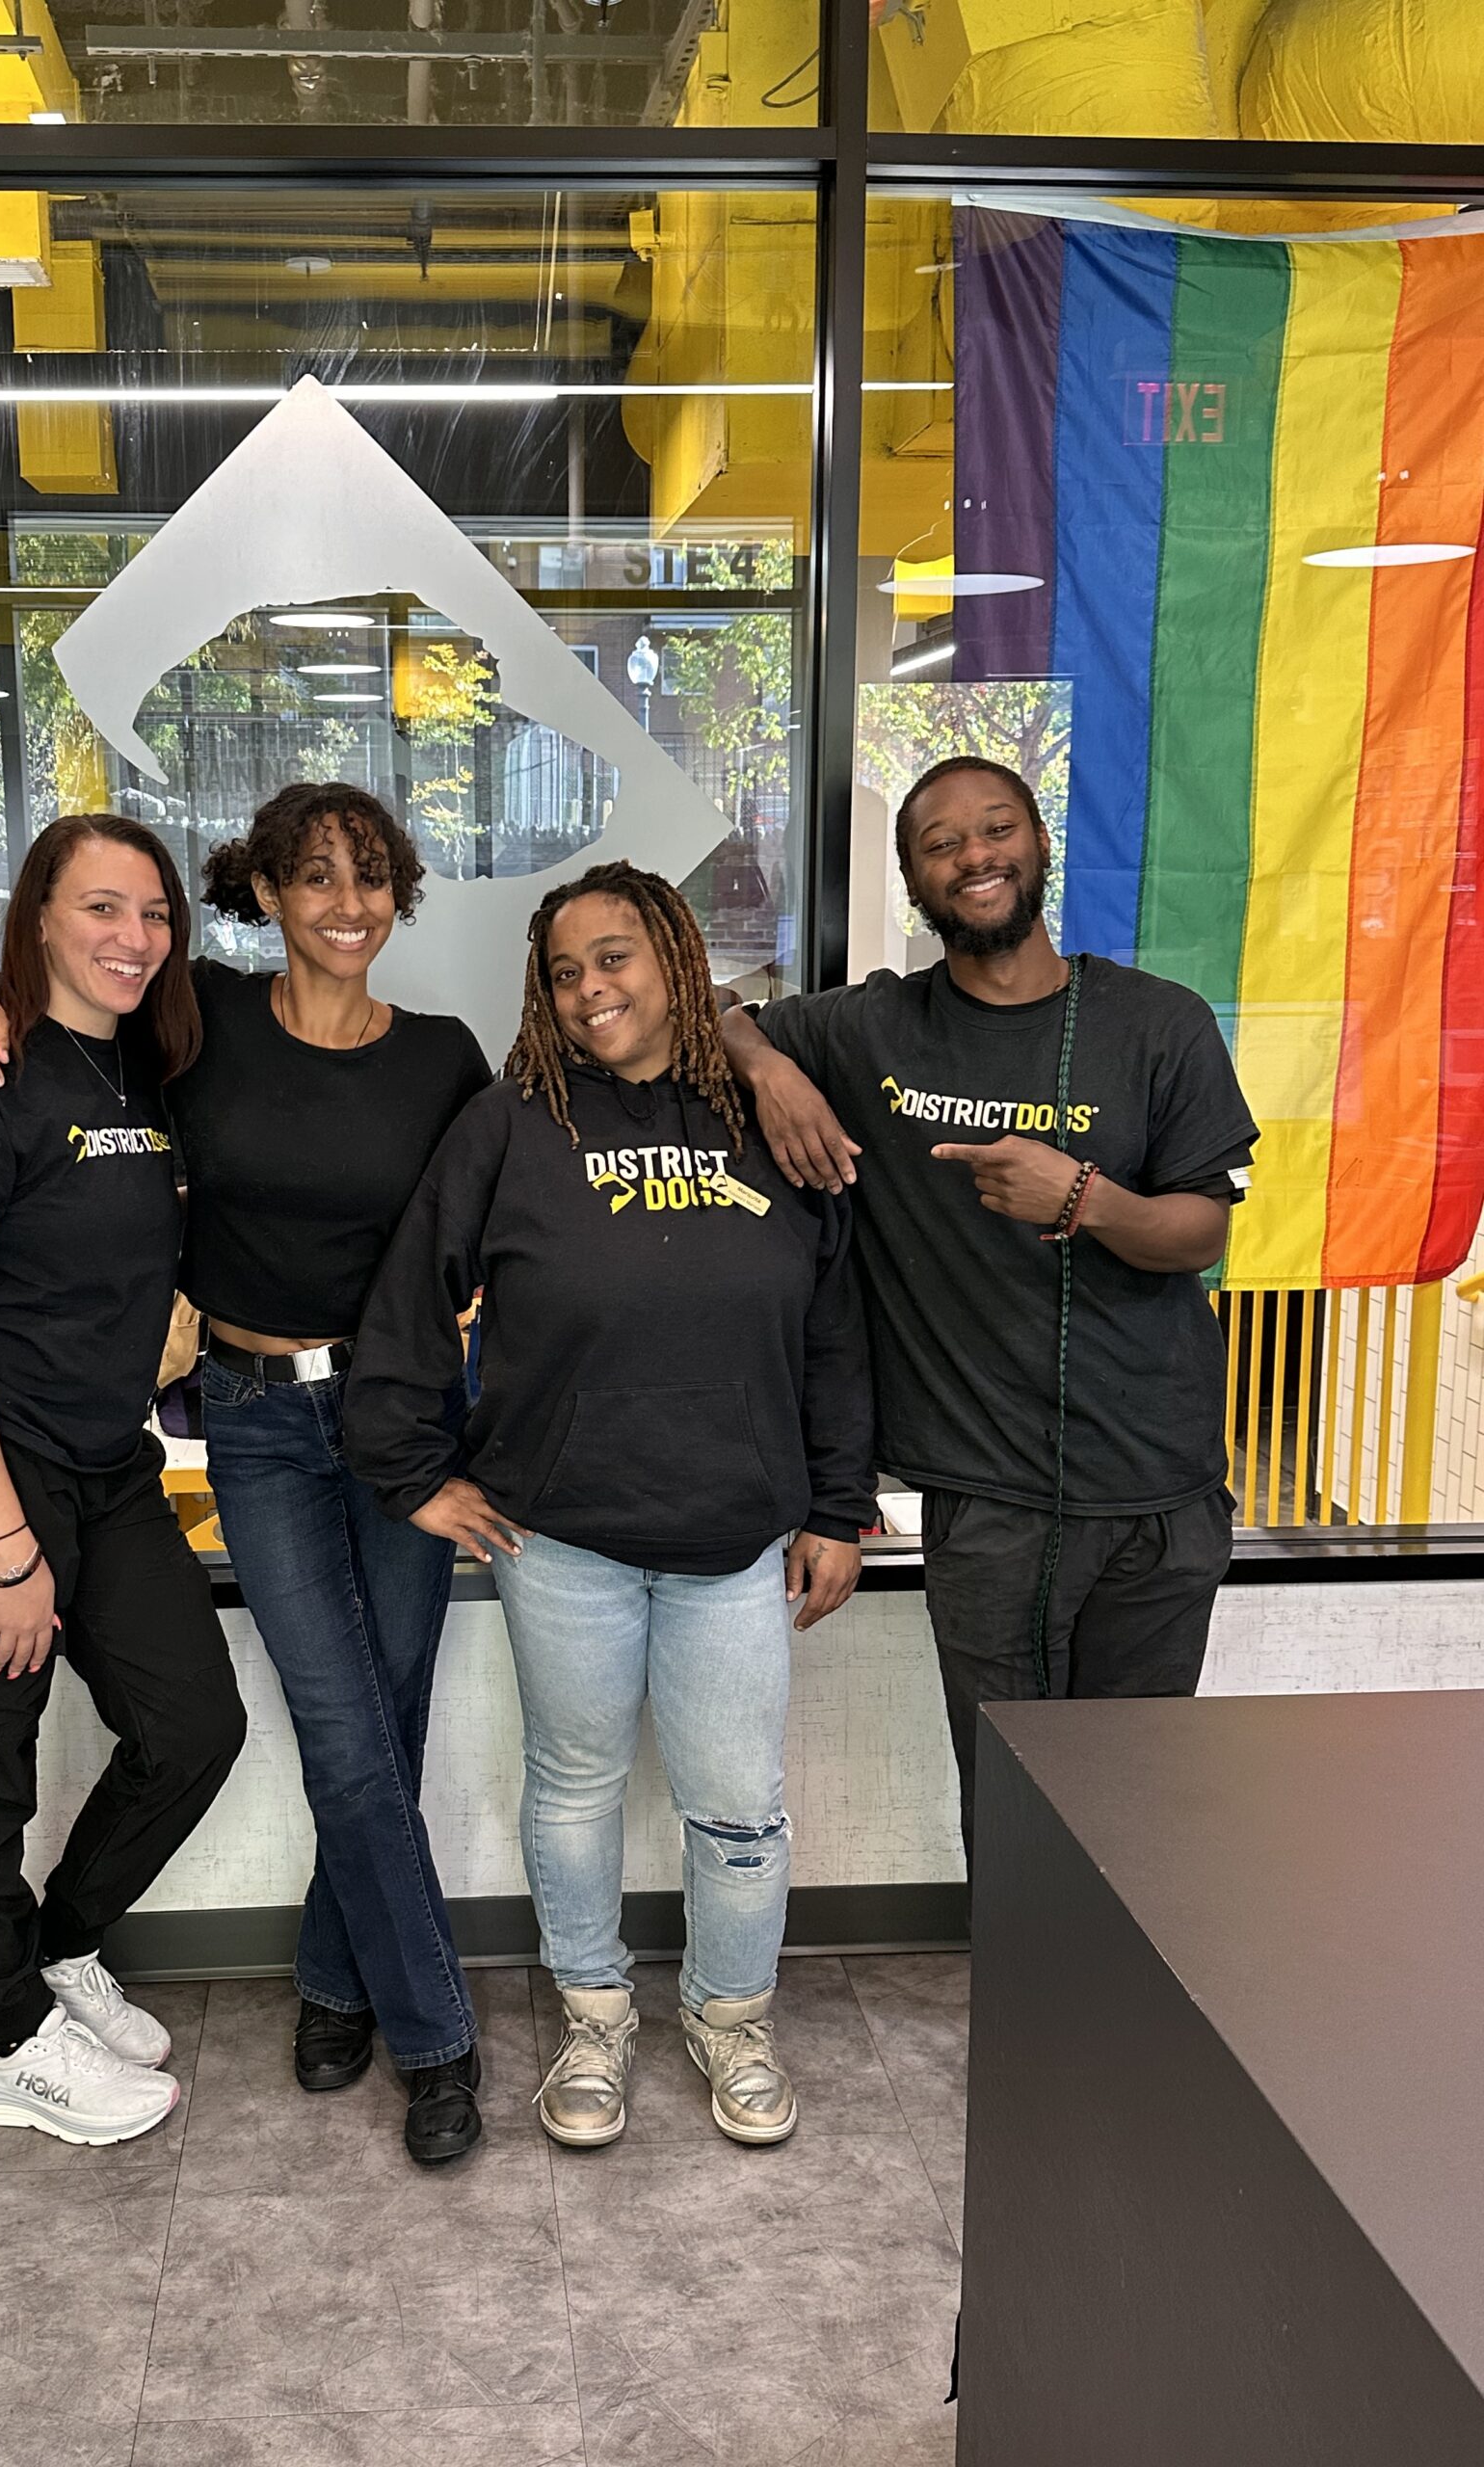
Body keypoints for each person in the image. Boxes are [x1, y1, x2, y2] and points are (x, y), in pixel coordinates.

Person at [0, 784, 493, 2164]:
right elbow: (69, 1017)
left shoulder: (444, 1058)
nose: (347, 904)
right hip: (255, 1418)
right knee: (343, 1727)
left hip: (402, 1417)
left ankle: (336, 1980)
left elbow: (514, 1203)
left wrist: (747, 1046)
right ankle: (436, 2036)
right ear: (268, 895)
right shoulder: (202, 1023)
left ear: (399, 894)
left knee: (388, 1718)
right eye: (316, 876)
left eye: (371, 876)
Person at [344, 861, 874, 2149]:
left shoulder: (767, 1118)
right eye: (565, 970)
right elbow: (412, 1297)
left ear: (678, 959)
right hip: (561, 1538)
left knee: (737, 1806)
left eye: (615, 956)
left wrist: (836, 1506)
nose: (590, 988)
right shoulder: (510, 1123)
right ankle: (594, 2016)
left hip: (733, 1541)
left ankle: (730, 2018)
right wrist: (412, 1472)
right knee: (574, 1790)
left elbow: (833, 1333)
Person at [720, 756, 1260, 1860]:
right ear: (915, 880)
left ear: (1039, 843)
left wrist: (1083, 1197)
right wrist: (770, 1072)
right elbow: (714, 1007)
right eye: (942, 843)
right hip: (987, 1504)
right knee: (1012, 1809)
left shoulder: (1158, 1024)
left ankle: (1119, 1978)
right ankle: (1024, 1977)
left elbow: (1201, 1232)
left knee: (1138, 1804)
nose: (975, 855)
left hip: (1159, 1495)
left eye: (998, 828)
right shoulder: (872, 1027)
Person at [0, 813, 247, 2146]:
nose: (134, 937)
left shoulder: (150, 1062)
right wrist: (6, 1550)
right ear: (36, 918)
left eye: (154, 912)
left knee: (192, 1724)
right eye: (99, 908)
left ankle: (62, 1946)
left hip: (101, 1463)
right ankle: (8, 2036)